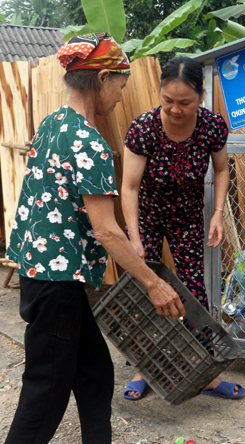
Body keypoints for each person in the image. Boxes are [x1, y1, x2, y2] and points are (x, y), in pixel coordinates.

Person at [3, 33, 184, 444]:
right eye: (120, 86)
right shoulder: (89, 142)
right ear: (103, 78)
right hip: (57, 284)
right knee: (45, 392)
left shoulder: (52, 124)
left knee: (95, 374)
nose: (120, 96)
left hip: (43, 273)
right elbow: (105, 229)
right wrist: (153, 282)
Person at [121, 56, 244, 400]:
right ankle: (143, 366)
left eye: (185, 102)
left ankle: (201, 367)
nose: (175, 109)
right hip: (146, 215)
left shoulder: (211, 126)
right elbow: (129, 187)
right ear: (160, 95)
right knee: (147, 286)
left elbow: (221, 170)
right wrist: (133, 235)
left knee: (194, 290)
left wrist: (217, 213)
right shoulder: (144, 128)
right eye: (168, 101)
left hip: (188, 216)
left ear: (201, 96)